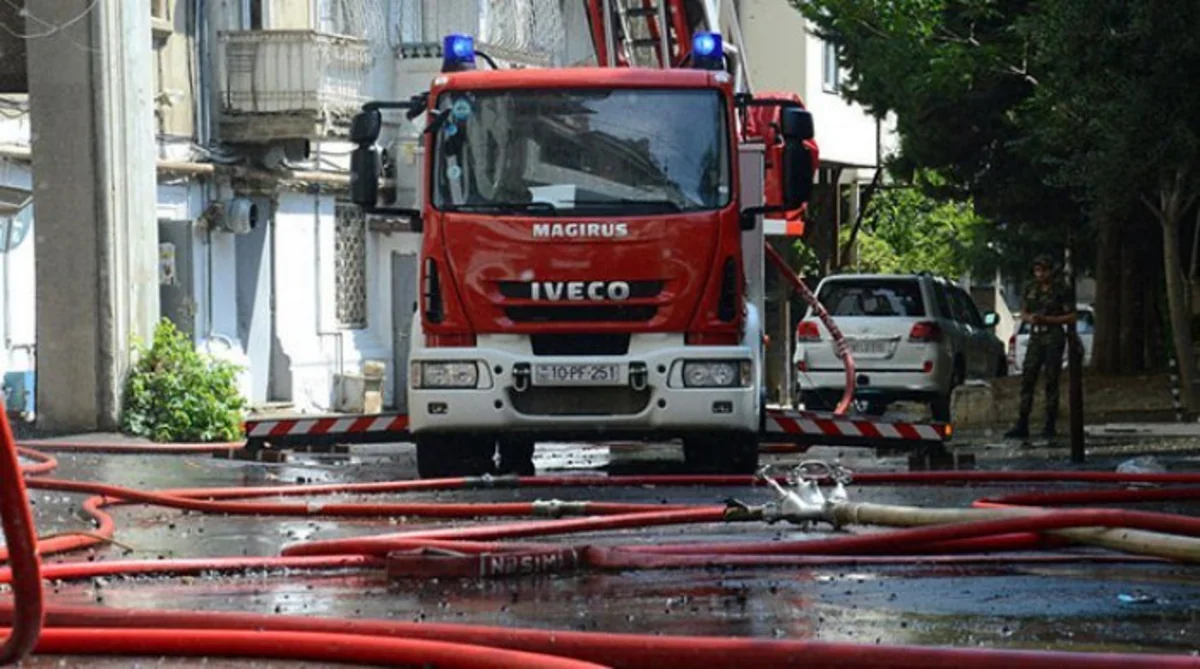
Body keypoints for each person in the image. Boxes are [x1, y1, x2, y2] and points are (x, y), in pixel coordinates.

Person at [1006, 255, 1076, 440]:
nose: (1040, 273)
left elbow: (1070, 316)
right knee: (1028, 378)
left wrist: (1049, 320)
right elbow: (1023, 312)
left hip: (1053, 335)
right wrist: (1030, 319)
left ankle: (1050, 424)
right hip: (1036, 335)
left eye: (1043, 270)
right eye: (1037, 270)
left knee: (1051, 380)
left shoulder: (1060, 289)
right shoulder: (1031, 288)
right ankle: (1022, 422)